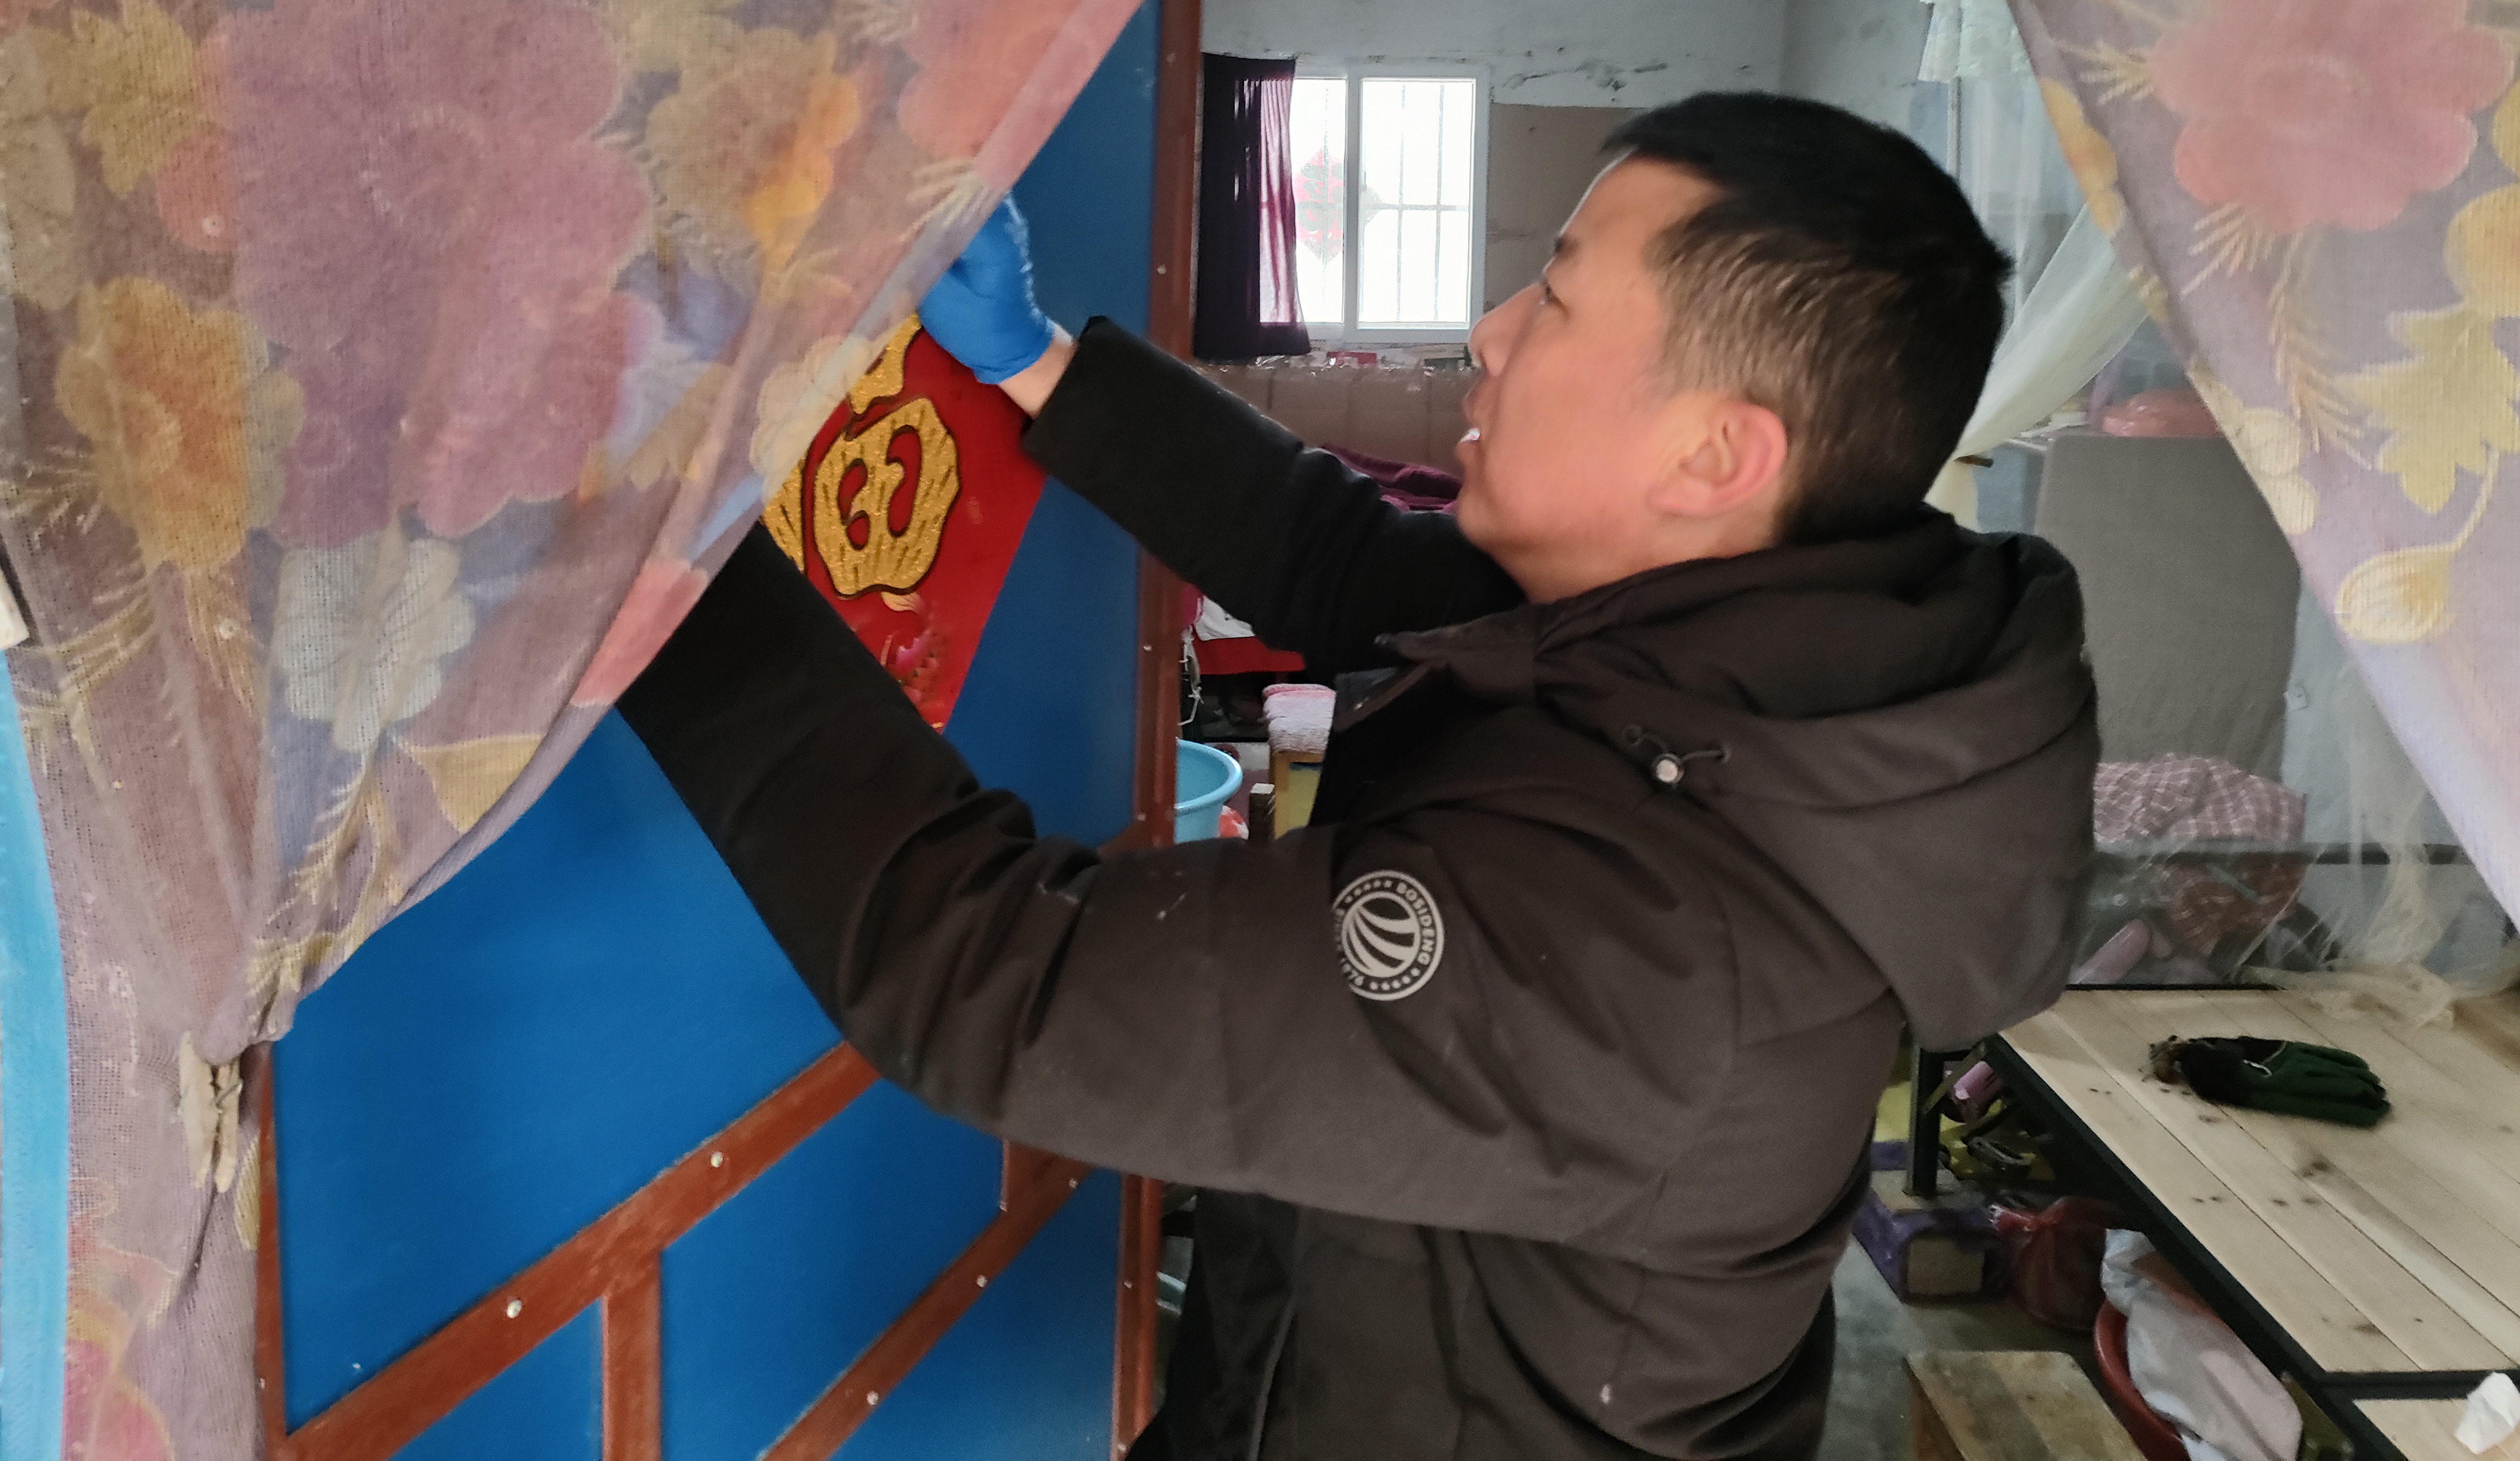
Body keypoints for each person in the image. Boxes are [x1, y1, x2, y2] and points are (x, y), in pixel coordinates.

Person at [618, 90, 2099, 1461]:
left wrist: (637, 539)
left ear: (1717, 454)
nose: (1489, 330)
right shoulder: (1743, 649)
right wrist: (1031, 359)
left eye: (1558, 297)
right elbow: (1343, 561)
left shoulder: (1645, 951)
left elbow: (996, 983)